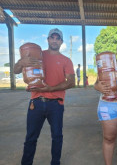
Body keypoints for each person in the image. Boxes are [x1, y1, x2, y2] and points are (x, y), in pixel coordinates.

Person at [14, 28, 75, 165]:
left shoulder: (66, 60)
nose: (54, 40)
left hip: (56, 104)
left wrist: (51, 88)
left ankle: (55, 162)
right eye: (52, 37)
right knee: (31, 138)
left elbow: (71, 82)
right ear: (48, 40)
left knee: (57, 137)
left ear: (61, 42)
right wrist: (21, 63)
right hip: (36, 103)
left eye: (57, 38)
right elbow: (15, 70)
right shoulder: (37, 54)